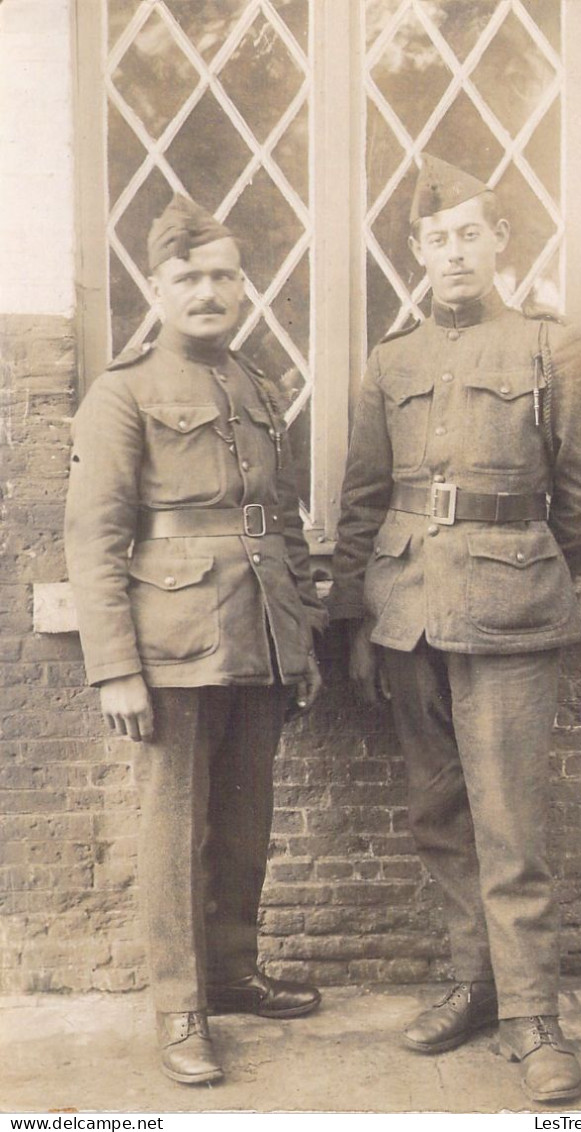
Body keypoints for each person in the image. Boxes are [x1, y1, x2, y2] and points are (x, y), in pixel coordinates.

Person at [328, 154, 581, 1104]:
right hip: (407, 614)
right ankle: (477, 981)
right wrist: (358, 617)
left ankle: (535, 1015)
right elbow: (364, 499)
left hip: (510, 612)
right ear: (415, 251)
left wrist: (536, 572)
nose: (453, 252)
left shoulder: (550, 347)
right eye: (436, 238)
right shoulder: (393, 361)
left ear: (500, 242)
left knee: (510, 821)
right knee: (439, 815)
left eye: (470, 234)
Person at [64, 194, 326, 1085]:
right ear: (158, 285)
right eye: (189, 277)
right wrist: (115, 670)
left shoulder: (257, 385)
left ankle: (232, 974)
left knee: (247, 822)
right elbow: (94, 538)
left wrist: (304, 641)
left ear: (242, 285)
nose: (207, 291)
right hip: (171, 641)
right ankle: (181, 1007)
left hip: (260, 634)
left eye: (223, 275)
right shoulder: (122, 392)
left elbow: (279, 525)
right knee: (175, 831)